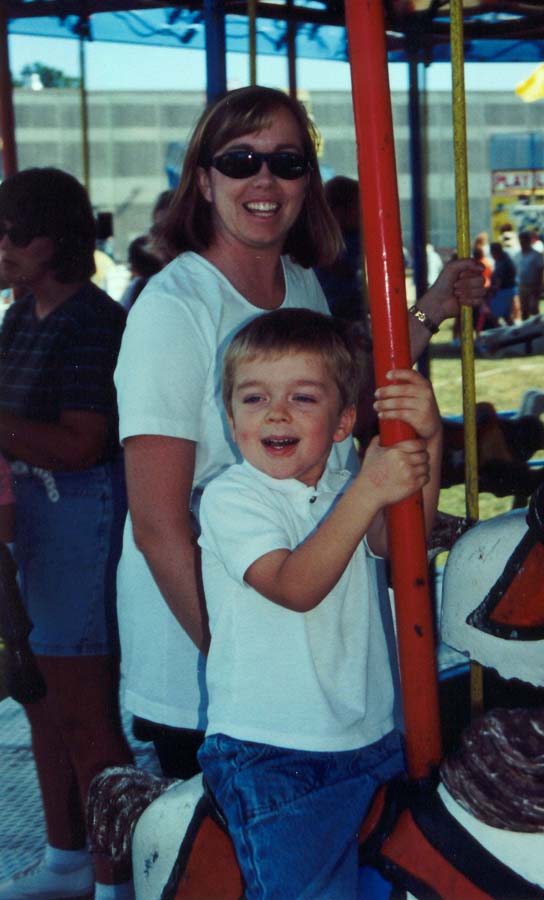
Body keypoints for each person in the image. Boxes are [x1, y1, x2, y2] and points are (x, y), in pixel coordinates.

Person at [113, 85, 485, 782]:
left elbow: (341, 396)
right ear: (204, 180)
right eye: (240, 160)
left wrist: (430, 311)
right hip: (228, 678)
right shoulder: (174, 308)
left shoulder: (299, 282)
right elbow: (159, 524)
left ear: (307, 181)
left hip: (317, 664)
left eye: (287, 162)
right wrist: (240, 659)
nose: (264, 179)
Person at [197, 307, 443, 899]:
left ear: (342, 422)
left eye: (303, 397)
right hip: (276, 756)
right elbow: (295, 587)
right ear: (231, 418)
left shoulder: (341, 486)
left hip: (369, 738)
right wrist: (368, 489)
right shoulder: (233, 498)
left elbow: (401, 542)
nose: (276, 413)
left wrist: (428, 441)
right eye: (254, 398)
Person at [0, 168, 134, 900]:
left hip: (82, 519)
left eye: (11, 235)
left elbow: (83, 443)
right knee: (39, 695)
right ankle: (67, 857)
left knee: (85, 709)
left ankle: (117, 877)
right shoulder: (21, 317)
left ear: (52, 241)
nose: (1, 250)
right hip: (34, 521)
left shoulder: (93, 321)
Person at [515, 230, 544, 320]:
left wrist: (539, 286)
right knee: (524, 310)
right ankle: (526, 327)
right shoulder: (518, 255)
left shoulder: (536, 255)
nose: (522, 243)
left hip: (533, 286)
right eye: (521, 241)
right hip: (522, 286)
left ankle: (538, 327)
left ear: (528, 241)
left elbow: (541, 271)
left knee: (534, 309)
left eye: (524, 240)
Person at [488, 241, 516, 326]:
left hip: (503, 291)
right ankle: (514, 331)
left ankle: (500, 331)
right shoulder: (502, 259)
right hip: (507, 290)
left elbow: (499, 280)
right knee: (506, 316)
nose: (491, 254)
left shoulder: (503, 262)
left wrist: (492, 291)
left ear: (495, 251)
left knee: (494, 316)